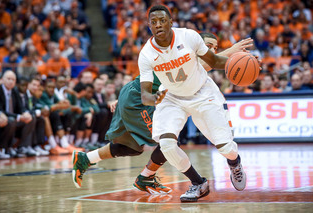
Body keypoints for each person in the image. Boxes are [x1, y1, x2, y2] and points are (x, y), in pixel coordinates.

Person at [72, 30, 252, 201]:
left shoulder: (188, 65)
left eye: (216, 48)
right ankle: (172, 180)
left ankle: (86, 159)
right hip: (139, 101)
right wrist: (231, 52)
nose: (212, 51)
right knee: (168, 143)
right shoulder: (184, 53)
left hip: (137, 97)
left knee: (133, 147)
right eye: (209, 46)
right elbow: (206, 63)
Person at [138, 5, 247, 202]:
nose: (158, 25)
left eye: (162, 20)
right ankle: (198, 183)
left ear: (171, 22)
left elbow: (213, 61)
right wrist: (152, 99)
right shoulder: (146, 54)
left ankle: (235, 163)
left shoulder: (189, 36)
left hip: (203, 93)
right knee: (167, 145)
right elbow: (144, 93)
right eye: (153, 22)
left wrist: (243, 61)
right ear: (149, 26)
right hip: (171, 97)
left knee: (225, 148)